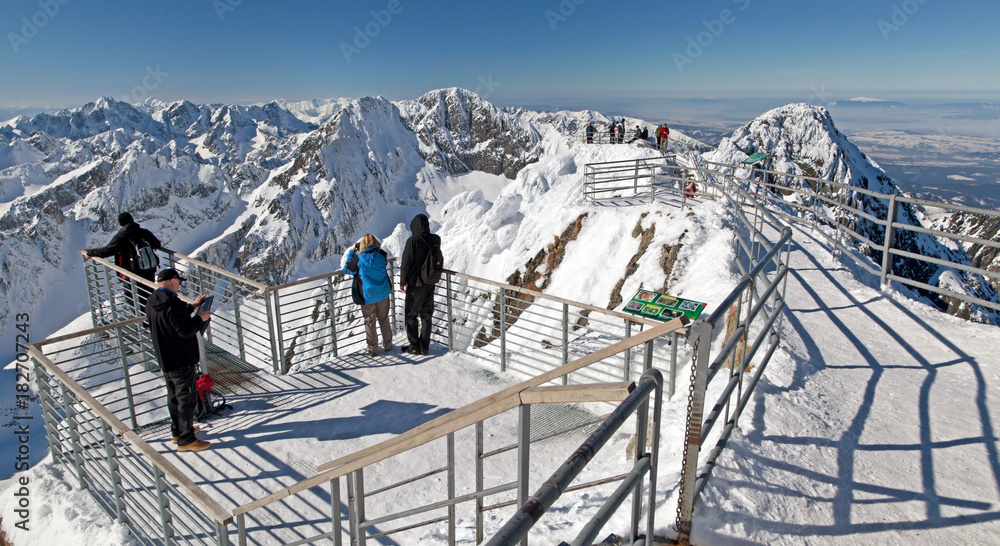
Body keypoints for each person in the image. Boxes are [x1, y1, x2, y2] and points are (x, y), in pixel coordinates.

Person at [146, 268, 213, 453]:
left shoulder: (153, 300)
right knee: (186, 398)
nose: (180, 285)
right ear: (173, 281)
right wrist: (199, 318)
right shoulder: (173, 304)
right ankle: (186, 439)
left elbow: (171, 318)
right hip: (181, 358)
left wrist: (192, 305)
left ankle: (178, 431)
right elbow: (184, 330)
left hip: (165, 358)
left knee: (174, 396)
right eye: (179, 282)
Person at [85, 212, 161, 313]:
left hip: (132, 272)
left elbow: (107, 251)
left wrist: (90, 253)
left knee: (132, 298)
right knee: (149, 295)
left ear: (121, 224)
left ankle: (144, 322)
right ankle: (154, 318)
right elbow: (157, 244)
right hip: (149, 269)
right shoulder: (144, 232)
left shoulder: (121, 236)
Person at [344, 234, 393, 357]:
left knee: (370, 322)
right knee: (384, 319)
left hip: (368, 297)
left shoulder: (359, 259)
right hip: (383, 293)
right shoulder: (382, 255)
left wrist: (352, 252)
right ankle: (388, 344)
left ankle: (373, 349)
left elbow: (347, 269)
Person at [399, 214, 442, 355]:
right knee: (426, 315)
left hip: (415, 284)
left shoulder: (413, 241)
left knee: (411, 315)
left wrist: (403, 282)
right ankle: (425, 347)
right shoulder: (435, 239)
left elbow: (406, 263)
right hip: (430, 282)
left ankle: (414, 346)